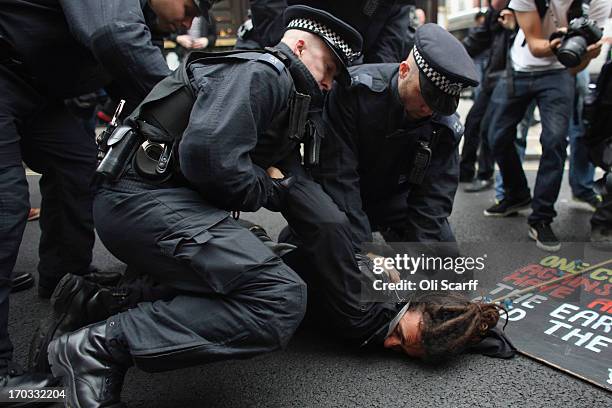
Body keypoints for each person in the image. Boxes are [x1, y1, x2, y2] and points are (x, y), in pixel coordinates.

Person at [44, 6, 363, 408]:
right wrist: (266, 187)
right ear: (299, 45)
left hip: (141, 200)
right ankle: (95, 348)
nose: (329, 83)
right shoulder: (267, 73)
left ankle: (95, 305)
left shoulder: (277, 84)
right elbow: (208, 157)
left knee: (259, 257)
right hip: (142, 201)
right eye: (329, 69)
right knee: (278, 296)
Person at [0, 0, 214, 400]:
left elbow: (132, 87)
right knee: (6, 203)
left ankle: (64, 276)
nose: (187, 20)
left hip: (36, 88)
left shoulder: (144, 21)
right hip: (6, 69)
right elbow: (116, 38)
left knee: (79, 169)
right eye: (188, 7)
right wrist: (203, 116)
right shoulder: (120, 12)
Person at [273, 24, 513, 359]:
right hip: (342, 196)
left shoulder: (443, 123)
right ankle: (299, 251)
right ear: (404, 70)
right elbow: (338, 177)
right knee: (329, 262)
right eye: (426, 98)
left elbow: (433, 203)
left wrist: (411, 270)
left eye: (439, 105)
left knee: (447, 271)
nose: (430, 110)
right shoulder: (354, 91)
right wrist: (367, 255)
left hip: (393, 202)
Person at [484, 0, 611, 251]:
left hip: (560, 73)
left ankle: (541, 217)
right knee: (496, 135)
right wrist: (555, 43)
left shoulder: (599, 1)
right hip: (521, 67)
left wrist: (588, 53)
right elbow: (535, 47)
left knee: (554, 141)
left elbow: (576, 67)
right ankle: (516, 193)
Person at [236, 0, 412, 63]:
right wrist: (290, 48)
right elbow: (268, 6)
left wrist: (369, 81)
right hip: (274, 46)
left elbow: (389, 39)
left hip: (344, 64)